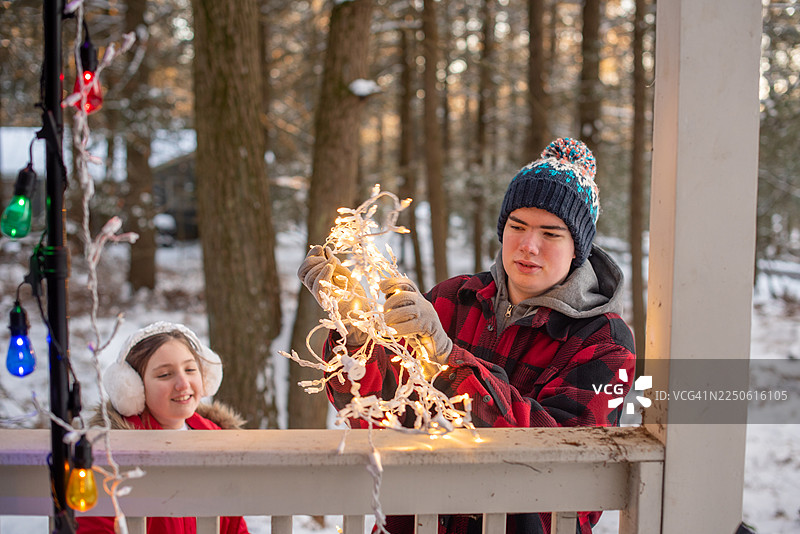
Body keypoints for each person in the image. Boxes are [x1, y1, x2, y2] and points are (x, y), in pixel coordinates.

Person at [298, 138, 636, 534]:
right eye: (517, 226)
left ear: (578, 247)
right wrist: (355, 340)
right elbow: (374, 416)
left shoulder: (604, 342)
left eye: (551, 233)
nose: (528, 245)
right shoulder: (452, 300)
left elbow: (557, 454)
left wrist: (448, 358)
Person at [76, 321, 250, 534]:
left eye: (190, 369)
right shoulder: (111, 454)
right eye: (165, 375)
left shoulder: (217, 438)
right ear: (133, 389)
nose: (183, 384)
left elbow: (234, 526)